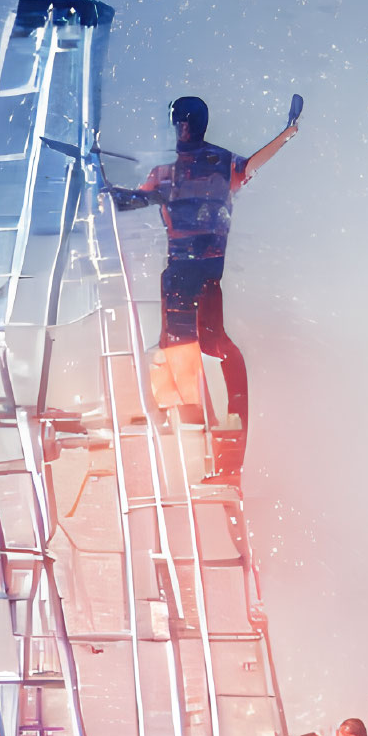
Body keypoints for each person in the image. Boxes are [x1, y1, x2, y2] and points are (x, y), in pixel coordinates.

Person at [109, 92, 300, 482]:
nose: (181, 128)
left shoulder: (202, 167)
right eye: (178, 121)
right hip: (190, 274)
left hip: (196, 274)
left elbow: (128, 201)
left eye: (184, 121)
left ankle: (219, 447)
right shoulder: (183, 171)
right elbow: (128, 202)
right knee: (185, 350)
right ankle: (201, 439)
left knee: (199, 348)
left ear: (191, 124)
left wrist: (287, 134)